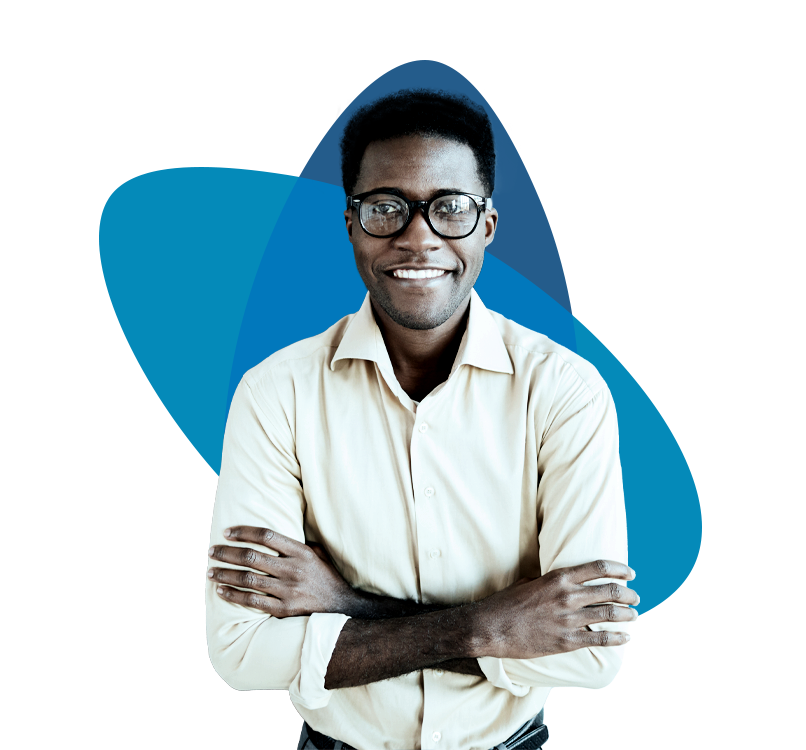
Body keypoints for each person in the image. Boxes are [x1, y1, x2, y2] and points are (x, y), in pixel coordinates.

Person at [205, 88, 637, 750]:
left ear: (487, 224)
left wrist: (346, 605)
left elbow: (590, 653)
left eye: (449, 209)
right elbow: (242, 650)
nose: (417, 237)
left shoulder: (564, 393)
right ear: (351, 224)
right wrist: (489, 628)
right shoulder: (275, 394)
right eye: (386, 209)